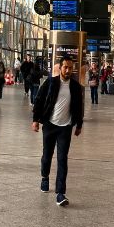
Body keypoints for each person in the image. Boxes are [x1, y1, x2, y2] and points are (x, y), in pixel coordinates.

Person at [32, 56, 84, 206]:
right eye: (65, 67)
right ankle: (45, 177)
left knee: (62, 159)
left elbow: (78, 107)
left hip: (65, 127)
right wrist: (35, 120)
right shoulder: (51, 82)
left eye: (70, 68)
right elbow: (39, 99)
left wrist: (78, 125)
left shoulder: (75, 86)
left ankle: (60, 193)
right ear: (60, 68)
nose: (68, 70)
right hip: (49, 125)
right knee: (47, 156)